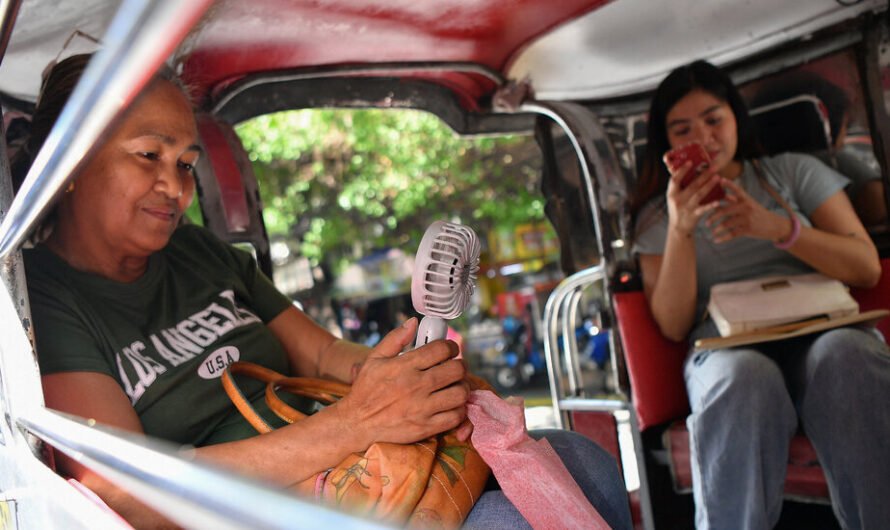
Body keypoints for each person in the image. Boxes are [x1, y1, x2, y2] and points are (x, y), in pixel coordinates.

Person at [21, 54, 632, 529]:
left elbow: (318, 356)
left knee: (584, 466)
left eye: (184, 163)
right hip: (262, 506)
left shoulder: (194, 250)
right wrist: (352, 424)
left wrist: (403, 381)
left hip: (356, 461)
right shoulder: (43, 303)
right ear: (69, 162)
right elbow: (124, 496)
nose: (175, 188)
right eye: (149, 154)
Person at [631, 60, 890, 529]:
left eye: (714, 119)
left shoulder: (794, 173)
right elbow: (671, 324)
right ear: (667, 143)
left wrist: (779, 229)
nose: (703, 138)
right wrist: (680, 229)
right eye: (682, 128)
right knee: (743, 376)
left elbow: (866, 267)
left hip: (822, 329)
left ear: (736, 118)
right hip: (725, 347)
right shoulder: (657, 217)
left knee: (848, 353)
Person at [748, 71, 887, 226]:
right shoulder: (836, 162)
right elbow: (877, 199)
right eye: (845, 124)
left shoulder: (761, 176)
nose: (845, 133)